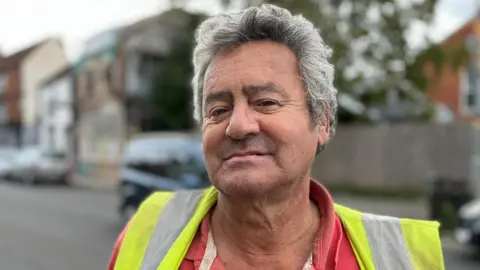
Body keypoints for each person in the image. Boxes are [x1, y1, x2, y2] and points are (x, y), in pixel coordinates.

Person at [108, 4, 444, 270]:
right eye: (219, 109)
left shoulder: (402, 255)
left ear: (322, 121)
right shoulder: (148, 230)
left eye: (265, 103)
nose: (238, 126)